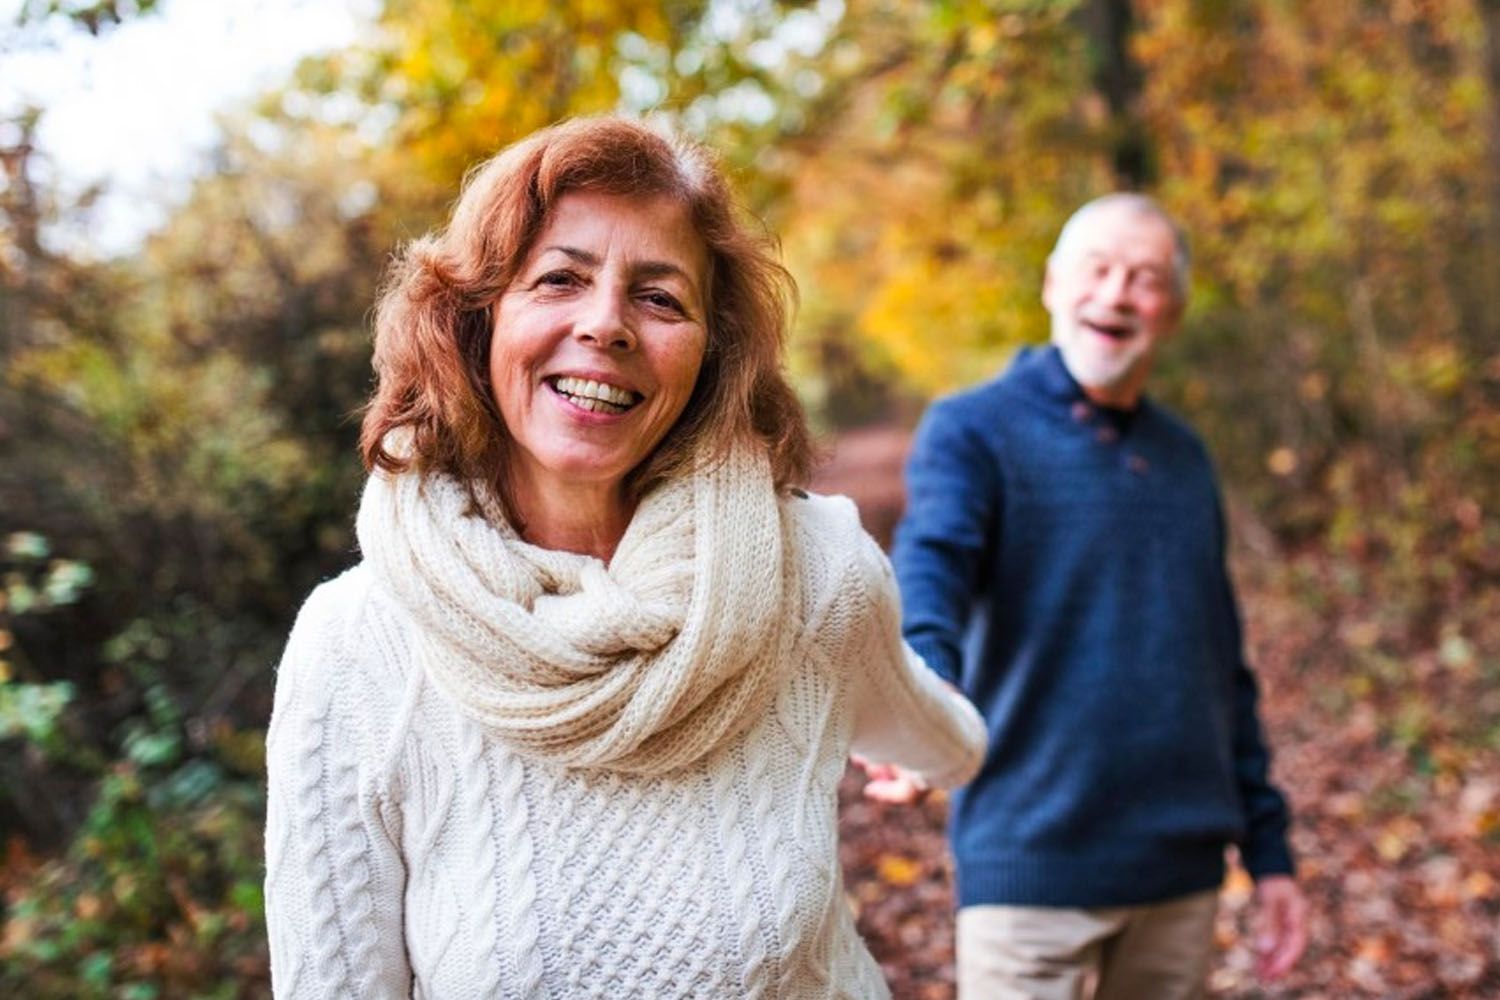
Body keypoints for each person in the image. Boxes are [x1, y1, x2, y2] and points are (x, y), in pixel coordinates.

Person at [262, 115, 986, 1000]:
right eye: (559, 278)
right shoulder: (356, 646)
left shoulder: (814, 571)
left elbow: (919, 717)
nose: (605, 324)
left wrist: (951, 759)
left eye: (659, 297)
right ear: (475, 321)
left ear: (710, 356)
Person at [886, 193, 1309, 999]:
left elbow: (1222, 667)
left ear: (1173, 312)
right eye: (1098, 269)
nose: (1116, 293)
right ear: (1052, 284)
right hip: (1030, 865)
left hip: (1180, 878)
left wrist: (1270, 852)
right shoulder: (974, 430)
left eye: (1144, 279)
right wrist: (924, 674)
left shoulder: (1184, 458)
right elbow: (931, 562)